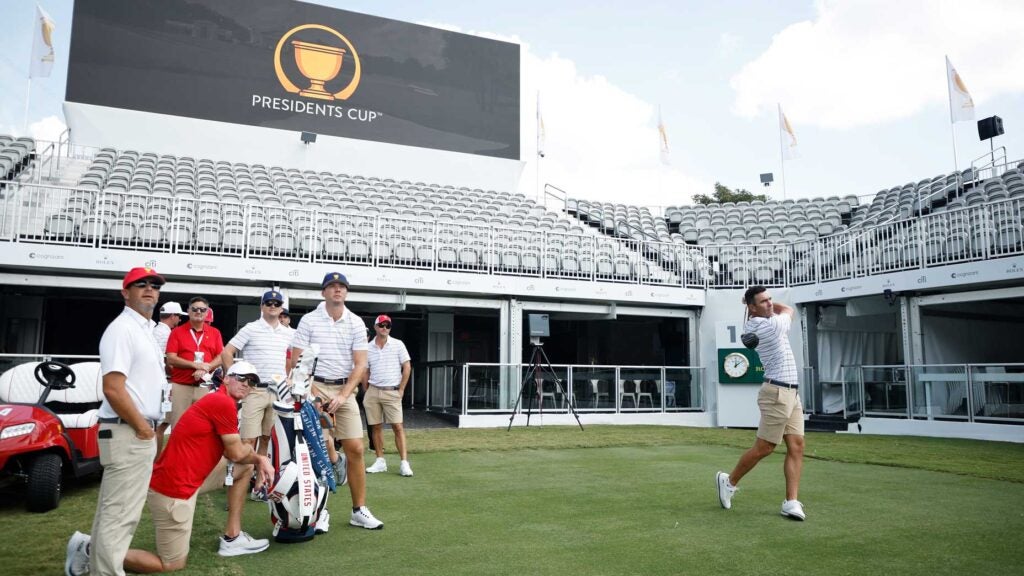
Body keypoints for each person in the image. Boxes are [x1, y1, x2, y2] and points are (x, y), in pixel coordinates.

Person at [65, 362, 276, 575]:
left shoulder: (221, 399)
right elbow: (236, 453)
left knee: (243, 468)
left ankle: (233, 537)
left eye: (252, 382)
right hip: (174, 489)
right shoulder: (222, 402)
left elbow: (236, 454)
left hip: (187, 479)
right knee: (171, 564)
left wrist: (256, 460)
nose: (247, 385)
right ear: (227, 378)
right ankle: (90, 548)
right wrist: (261, 459)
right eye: (242, 378)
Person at [70, 267, 167, 576]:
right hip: (129, 431)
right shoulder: (122, 329)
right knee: (120, 515)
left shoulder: (145, 330)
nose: (150, 289)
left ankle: (86, 558)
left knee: (114, 512)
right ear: (125, 292)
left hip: (134, 430)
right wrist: (141, 427)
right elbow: (113, 388)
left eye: (154, 285)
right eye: (141, 285)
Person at [289, 271, 383, 530]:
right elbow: (299, 361)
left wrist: (343, 395)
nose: (337, 290)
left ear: (346, 292)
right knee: (317, 451)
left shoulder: (355, 322)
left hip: (345, 389)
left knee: (356, 448)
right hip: (314, 387)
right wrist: (309, 394)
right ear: (324, 292)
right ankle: (321, 511)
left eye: (342, 286)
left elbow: (361, 364)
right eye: (332, 286)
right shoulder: (309, 321)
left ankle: (358, 510)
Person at [716, 286, 806, 521]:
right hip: (776, 393)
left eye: (770, 299)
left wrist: (756, 303)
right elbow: (788, 310)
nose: (769, 304)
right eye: (763, 301)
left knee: (796, 446)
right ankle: (729, 481)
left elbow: (773, 308)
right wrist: (772, 307)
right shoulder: (766, 325)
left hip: (791, 393)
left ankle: (791, 502)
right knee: (765, 447)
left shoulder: (764, 319)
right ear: (752, 307)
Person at [221, 290, 293, 501]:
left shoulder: (289, 332)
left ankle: (259, 485)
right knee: (247, 440)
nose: (272, 306)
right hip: (254, 390)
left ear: (281, 308)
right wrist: (233, 378)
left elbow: (300, 356)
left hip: (277, 391)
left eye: (276, 303)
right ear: (262, 306)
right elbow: (227, 352)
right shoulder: (251, 328)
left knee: (266, 439)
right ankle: (238, 483)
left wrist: (292, 377)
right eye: (268, 303)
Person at [363, 314, 413, 477]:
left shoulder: (398, 344)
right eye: (382, 325)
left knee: (397, 427)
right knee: (375, 427)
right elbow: (366, 370)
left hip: (392, 390)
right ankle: (380, 461)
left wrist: (401, 390)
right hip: (373, 391)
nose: (385, 328)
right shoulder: (368, 347)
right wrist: (367, 390)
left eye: (388, 325)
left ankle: (404, 463)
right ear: (376, 327)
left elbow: (407, 367)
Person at [164, 297, 223, 431]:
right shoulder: (176, 332)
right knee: (179, 427)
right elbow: (171, 358)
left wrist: (206, 367)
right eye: (194, 309)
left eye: (202, 309)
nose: (198, 312)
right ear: (188, 311)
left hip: (204, 386)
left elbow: (221, 356)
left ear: (207, 312)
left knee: (203, 428)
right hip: (180, 386)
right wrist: (195, 365)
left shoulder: (215, 333)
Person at [153, 302, 187, 452]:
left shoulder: (154, 330)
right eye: (179, 316)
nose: (179, 320)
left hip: (155, 382)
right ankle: (158, 463)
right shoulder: (167, 334)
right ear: (173, 316)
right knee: (164, 425)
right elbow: (169, 362)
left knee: (159, 425)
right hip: (164, 383)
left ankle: (154, 463)